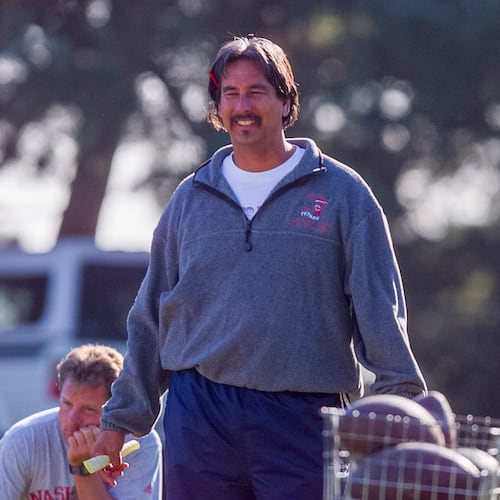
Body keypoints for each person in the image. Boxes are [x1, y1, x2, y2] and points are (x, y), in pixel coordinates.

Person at [91, 35, 427, 499]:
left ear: (286, 101)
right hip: (200, 414)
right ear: (217, 107)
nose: (242, 106)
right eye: (230, 93)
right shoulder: (191, 199)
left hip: (306, 417)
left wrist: (402, 404)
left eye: (256, 92)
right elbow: (151, 316)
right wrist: (120, 420)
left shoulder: (343, 194)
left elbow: (380, 310)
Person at [0, 344, 162, 499]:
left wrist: (82, 468)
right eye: (66, 404)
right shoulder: (23, 440)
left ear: (113, 410)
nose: (72, 420)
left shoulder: (138, 443)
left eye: (88, 409)